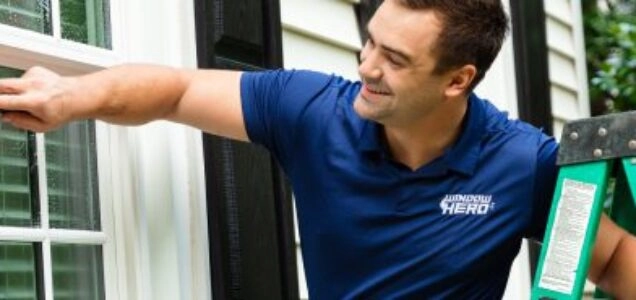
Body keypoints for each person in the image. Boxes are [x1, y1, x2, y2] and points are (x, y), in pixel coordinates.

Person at [1, 0, 635, 298]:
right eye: (369, 42)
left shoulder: (521, 163)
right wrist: (71, 96)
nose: (365, 65)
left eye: (393, 58)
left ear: (456, 80)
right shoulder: (312, 112)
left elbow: (610, 259)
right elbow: (177, 89)